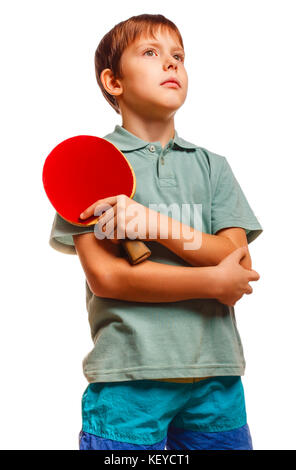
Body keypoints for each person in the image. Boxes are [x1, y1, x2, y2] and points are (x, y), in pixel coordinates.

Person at [49, 13, 263, 450]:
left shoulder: (212, 166)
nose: (171, 64)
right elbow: (108, 279)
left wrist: (154, 225)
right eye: (151, 53)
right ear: (113, 81)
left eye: (178, 56)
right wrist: (209, 279)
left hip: (217, 379)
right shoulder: (87, 163)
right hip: (128, 381)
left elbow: (237, 262)